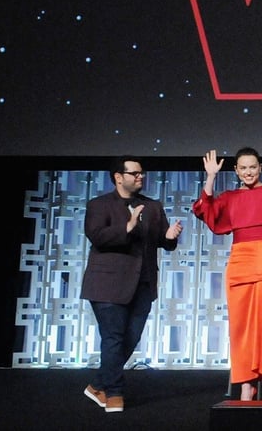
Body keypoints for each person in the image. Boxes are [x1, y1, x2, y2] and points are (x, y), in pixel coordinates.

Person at [192, 141, 262, 401]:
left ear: (261, 168)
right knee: (241, 328)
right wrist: (210, 177)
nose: (249, 172)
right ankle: (245, 383)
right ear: (236, 170)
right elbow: (204, 209)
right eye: (243, 168)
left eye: (253, 167)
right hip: (239, 261)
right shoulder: (230, 198)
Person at [82, 156, 183, 413]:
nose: (141, 177)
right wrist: (127, 227)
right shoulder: (99, 205)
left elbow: (162, 241)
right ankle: (114, 393)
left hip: (143, 283)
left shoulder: (152, 206)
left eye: (141, 173)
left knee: (131, 337)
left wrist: (169, 238)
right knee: (113, 337)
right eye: (135, 173)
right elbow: (97, 236)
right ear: (118, 176)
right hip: (108, 283)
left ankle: (98, 385)